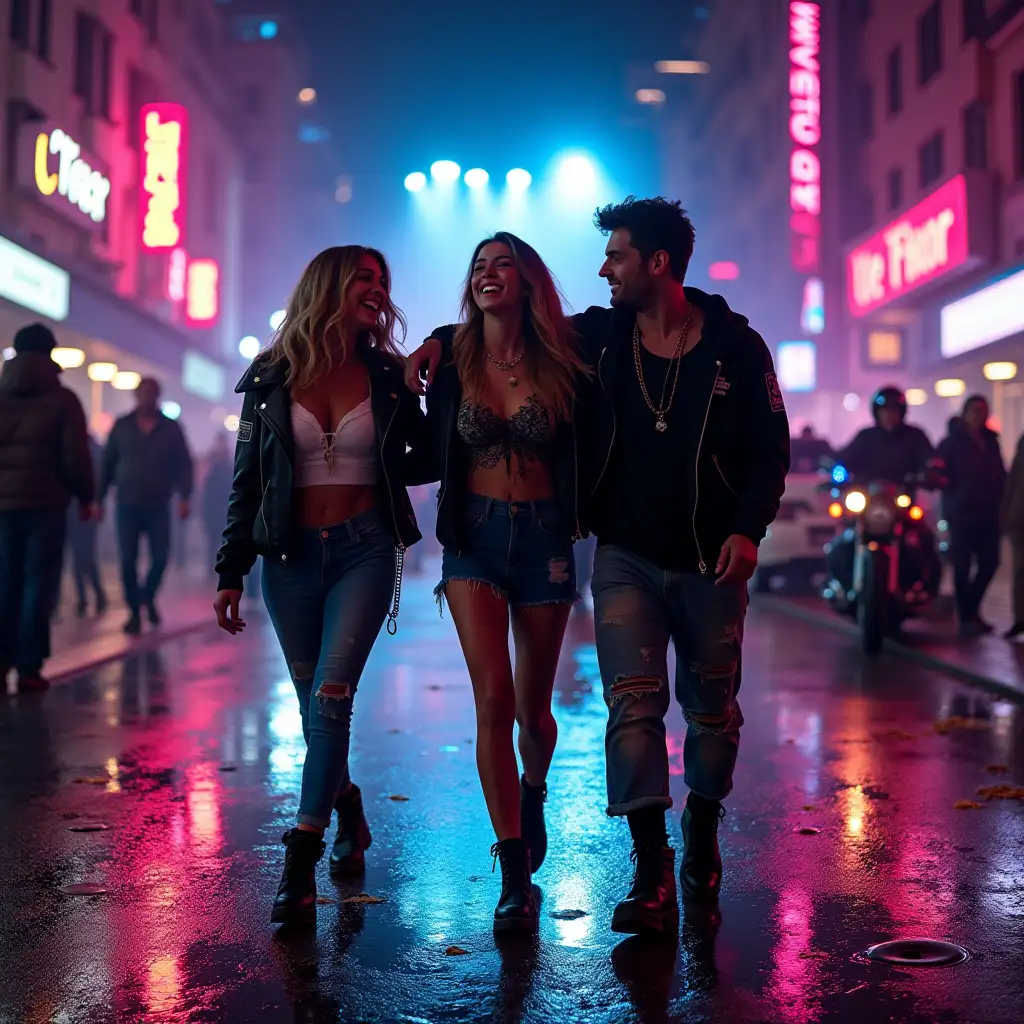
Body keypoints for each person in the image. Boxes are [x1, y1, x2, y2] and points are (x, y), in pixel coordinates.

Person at [408, 198, 789, 935]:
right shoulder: (603, 335)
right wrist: (432, 337)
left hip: (710, 559)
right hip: (621, 555)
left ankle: (701, 832)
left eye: (615, 256)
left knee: (712, 714)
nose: (603, 269)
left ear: (657, 263)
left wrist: (748, 530)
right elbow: (499, 325)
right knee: (634, 706)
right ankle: (650, 872)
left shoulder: (737, 348)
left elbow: (771, 450)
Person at [213, 245, 430, 927]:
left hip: (364, 552)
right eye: (363, 278)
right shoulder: (270, 374)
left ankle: (300, 856)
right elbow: (248, 479)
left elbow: (426, 459)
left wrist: (431, 391)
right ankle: (348, 809)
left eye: (381, 281)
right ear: (329, 287)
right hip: (289, 562)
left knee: (332, 698)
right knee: (315, 708)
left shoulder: (387, 375)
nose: (377, 289)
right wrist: (229, 570)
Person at [418, 232, 589, 934]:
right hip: (475, 542)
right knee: (493, 696)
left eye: (504, 265)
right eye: (478, 266)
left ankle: (534, 786)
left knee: (532, 712)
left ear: (528, 281)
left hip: (545, 540)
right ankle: (513, 869)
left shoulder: (566, 359)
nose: (489, 275)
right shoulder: (452, 358)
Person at [0, 323, 95, 691]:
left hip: (4, 508)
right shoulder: (63, 400)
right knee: (38, 584)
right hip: (46, 506)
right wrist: (87, 497)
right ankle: (28, 667)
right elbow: (75, 457)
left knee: (6, 580)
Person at [100, 378, 193, 634]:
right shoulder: (122, 426)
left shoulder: (170, 428)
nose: (147, 398)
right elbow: (108, 464)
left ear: (157, 396)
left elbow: (184, 465)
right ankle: (134, 610)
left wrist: (185, 497)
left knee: (161, 557)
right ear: (136, 395)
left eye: (151, 393)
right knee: (127, 558)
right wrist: (97, 499)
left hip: (158, 504)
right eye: (143, 393)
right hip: (126, 503)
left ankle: (146, 596)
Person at [938, 395, 1006, 635]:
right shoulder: (951, 444)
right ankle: (966, 616)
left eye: (982, 412)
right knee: (962, 565)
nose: (978, 416)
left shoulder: (991, 441)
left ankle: (971, 607)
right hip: (961, 513)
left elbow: (1000, 473)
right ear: (965, 413)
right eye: (974, 411)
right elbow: (939, 475)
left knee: (990, 563)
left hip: (988, 511)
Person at [836, 386, 933, 485]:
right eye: (884, 410)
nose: (888, 414)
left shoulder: (915, 437)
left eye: (893, 410)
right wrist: (837, 470)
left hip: (904, 494)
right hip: (868, 494)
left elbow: (928, 461)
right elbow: (847, 458)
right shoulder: (866, 437)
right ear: (876, 412)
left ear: (902, 412)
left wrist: (929, 474)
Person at [66, 433, 108, 616]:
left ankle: (90, 596)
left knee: (82, 556)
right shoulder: (92, 450)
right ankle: (90, 596)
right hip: (79, 509)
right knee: (82, 556)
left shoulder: (82, 450)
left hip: (82, 509)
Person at [1001, 432, 1024, 640]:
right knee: (1019, 570)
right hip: (1020, 516)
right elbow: (1014, 478)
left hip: (1018, 513)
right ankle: (1020, 618)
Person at [201, 435, 234, 574]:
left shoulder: (228, 465)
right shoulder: (214, 465)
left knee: (222, 540)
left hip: (224, 507)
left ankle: (220, 566)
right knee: (214, 539)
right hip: (216, 508)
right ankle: (213, 567)